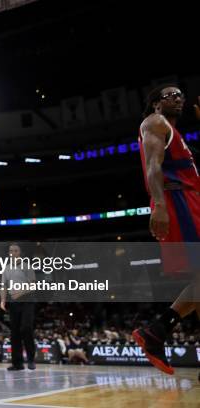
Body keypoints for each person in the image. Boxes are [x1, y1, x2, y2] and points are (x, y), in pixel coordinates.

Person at [133, 85, 200, 375]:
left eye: (181, 95)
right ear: (156, 103)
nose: (178, 98)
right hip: (178, 202)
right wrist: (159, 204)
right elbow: (152, 166)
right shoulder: (154, 122)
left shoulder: (177, 134)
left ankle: (157, 331)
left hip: (189, 200)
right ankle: (156, 330)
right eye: (171, 94)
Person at [0, 243, 37, 370]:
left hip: (27, 300)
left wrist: (19, 293)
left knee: (26, 328)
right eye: (11, 251)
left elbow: (33, 285)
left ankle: (31, 359)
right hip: (14, 302)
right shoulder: (7, 268)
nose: (13, 253)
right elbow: (4, 285)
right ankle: (17, 363)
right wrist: (3, 300)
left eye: (16, 250)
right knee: (14, 332)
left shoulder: (27, 266)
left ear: (19, 252)